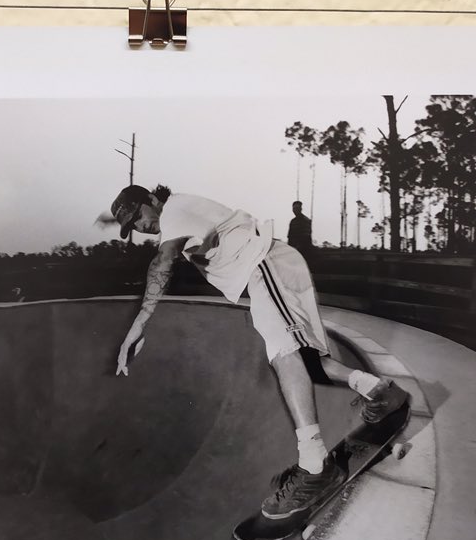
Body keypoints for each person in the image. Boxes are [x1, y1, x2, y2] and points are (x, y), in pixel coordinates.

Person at [108, 184, 408, 520]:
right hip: (272, 265)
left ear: (151, 199)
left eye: (138, 216)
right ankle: (379, 391)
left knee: (283, 354)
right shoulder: (181, 215)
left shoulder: (174, 209)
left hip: (265, 266)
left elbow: (163, 261)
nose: (140, 226)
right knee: (308, 359)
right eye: (132, 226)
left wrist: (139, 323)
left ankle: (315, 467)